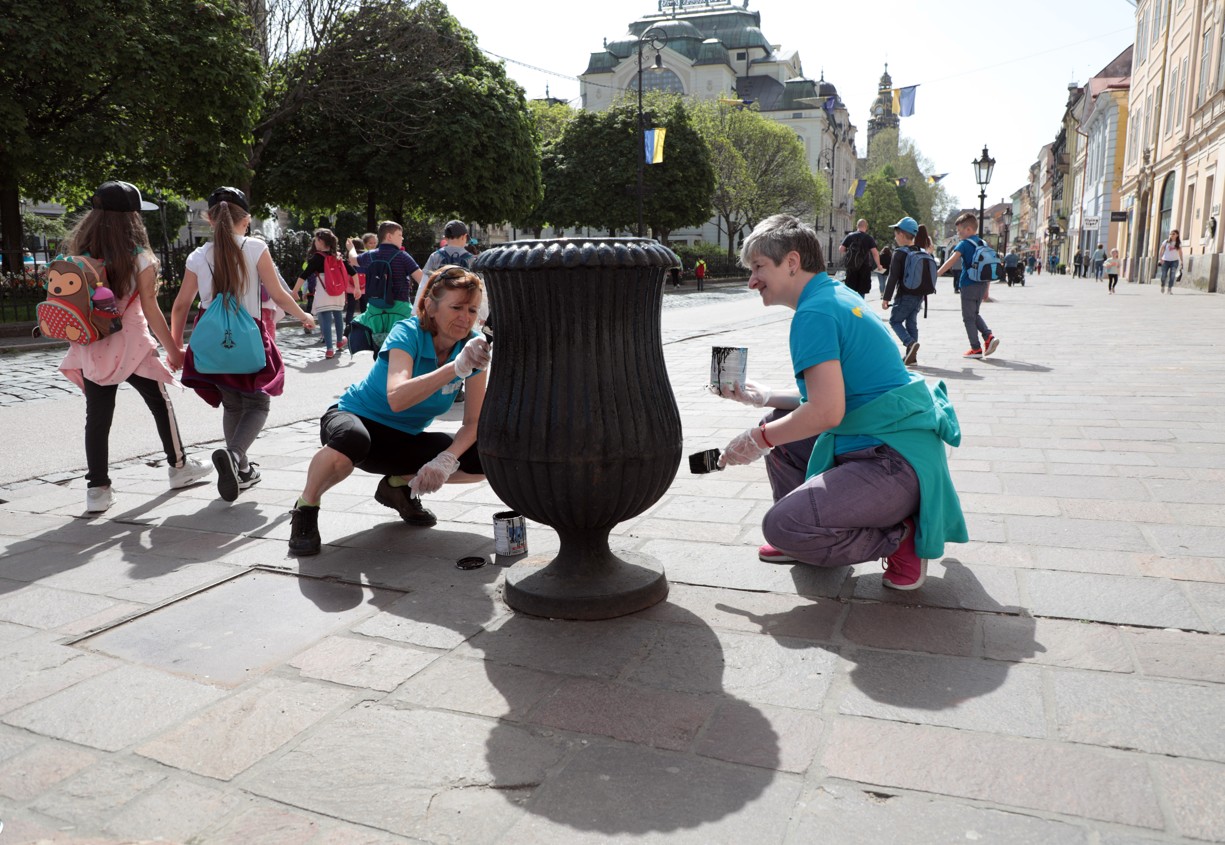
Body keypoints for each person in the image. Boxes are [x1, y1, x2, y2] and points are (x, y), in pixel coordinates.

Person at [712, 214, 966, 590]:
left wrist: (757, 439)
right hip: (896, 448)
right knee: (780, 417)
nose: (752, 281)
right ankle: (806, 537)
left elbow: (826, 412)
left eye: (759, 267)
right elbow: (834, 395)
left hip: (892, 462)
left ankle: (901, 539)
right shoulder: (833, 294)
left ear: (792, 262)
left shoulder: (813, 314)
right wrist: (762, 397)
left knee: (780, 523)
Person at [288, 266, 492, 556]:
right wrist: (455, 368)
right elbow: (397, 397)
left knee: (485, 455)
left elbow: (473, 422)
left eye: (472, 309)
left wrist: (446, 460)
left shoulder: (472, 347)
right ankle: (306, 506)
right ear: (430, 306)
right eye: (456, 307)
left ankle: (397, 487)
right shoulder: (407, 332)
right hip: (356, 420)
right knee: (352, 442)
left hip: (402, 439)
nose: (465, 317)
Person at [59, 180, 212, 513]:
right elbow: (150, 307)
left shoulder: (80, 253)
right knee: (161, 404)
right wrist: (173, 350)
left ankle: (97, 489)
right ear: (132, 219)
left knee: (97, 418)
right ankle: (179, 466)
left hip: (94, 345)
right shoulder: (139, 257)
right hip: (132, 343)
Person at [171, 187, 316, 503]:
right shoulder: (255, 247)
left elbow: (181, 305)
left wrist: (174, 347)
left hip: (211, 342)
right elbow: (278, 295)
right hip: (248, 337)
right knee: (258, 404)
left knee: (232, 404)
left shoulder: (198, 256)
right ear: (247, 220)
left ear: (209, 219)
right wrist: (303, 314)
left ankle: (243, 469)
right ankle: (236, 455)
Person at [349, 221, 424, 355]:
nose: (402, 238)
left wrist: (351, 248)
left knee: (379, 351)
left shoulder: (370, 255)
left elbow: (353, 260)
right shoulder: (403, 257)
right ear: (389, 236)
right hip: (400, 309)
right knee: (401, 349)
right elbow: (423, 281)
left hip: (375, 311)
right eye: (400, 235)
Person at [938, 211, 1000, 359]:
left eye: (960, 231)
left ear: (968, 229)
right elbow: (989, 266)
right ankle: (988, 337)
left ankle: (976, 348)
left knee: (968, 318)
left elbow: (952, 260)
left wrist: (937, 273)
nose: (958, 234)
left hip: (968, 284)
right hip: (981, 285)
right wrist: (987, 289)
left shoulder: (964, 244)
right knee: (974, 314)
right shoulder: (983, 243)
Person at [292, 228, 355, 360]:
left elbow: (304, 274)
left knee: (325, 318)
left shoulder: (317, 257)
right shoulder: (337, 256)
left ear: (320, 241)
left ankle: (329, 349)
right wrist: (358, 289)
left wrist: (295, 290)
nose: (314, 242)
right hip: (338, 291)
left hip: (324, 291)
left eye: (315, 240)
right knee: (338, 315)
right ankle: (339, 341)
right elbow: (352, 272)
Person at [881, 217, 935, 367]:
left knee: (895, 320)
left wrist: (886, 298)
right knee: (911, 322)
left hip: (905, 294)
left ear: (902, 235)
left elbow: (893, 277)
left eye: (896, 233)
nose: (895, 236)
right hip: (920, 295)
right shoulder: (921, 251)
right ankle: (912, 357)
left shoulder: (899, 253)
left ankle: (910, 344)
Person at [415, 221, 473, 312]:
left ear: (445, 238)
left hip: (439, 306)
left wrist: (417, 309)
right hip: (464, 306)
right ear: (464, 237)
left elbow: (424, 284)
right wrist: (482, 314)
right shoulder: (471, 259)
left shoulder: (435, 256)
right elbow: (480, 285)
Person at [838, 219, 884, 297]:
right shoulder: (869, 238)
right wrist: (879, 265)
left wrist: (850, 251)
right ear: (866, 227)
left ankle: (851, 307)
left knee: (850, 290)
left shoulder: (850, 236)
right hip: (864, 267)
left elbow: (841, 249)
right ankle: (860, 307)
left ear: (857, 226)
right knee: (861, 291)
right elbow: (875, 253)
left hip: (851, 267)